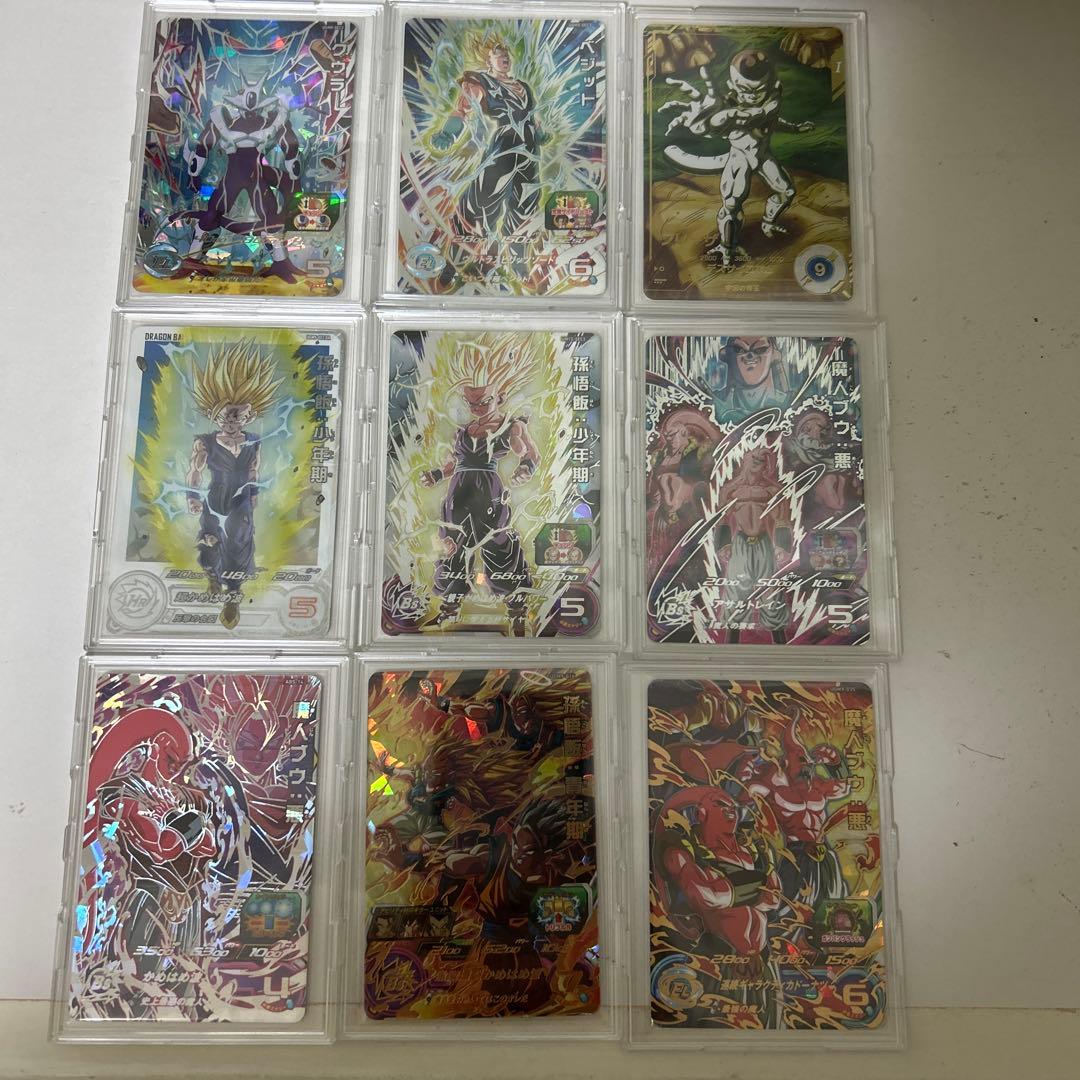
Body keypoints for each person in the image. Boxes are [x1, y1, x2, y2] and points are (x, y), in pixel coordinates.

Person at [420, 340, 539, 635]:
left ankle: (517, 611)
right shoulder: (463, 431)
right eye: (471, 403)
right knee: (452, 546)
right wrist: (437, 474)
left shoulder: (511, 426)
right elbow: (453, 462)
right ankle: (449, 609)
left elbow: (530, 453)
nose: (476, 408)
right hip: (458, 492)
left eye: (483, 402)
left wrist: (525, 469)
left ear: (499, 397)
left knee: (499, 545)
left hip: (489, 491)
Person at [661, 49, 814, 268]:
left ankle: (768, 223)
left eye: (759, 90)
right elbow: (715, 124)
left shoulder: (769, 104)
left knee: (786, 191)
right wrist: (705, 120)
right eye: (745, 90)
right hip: (739, 158)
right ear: (732, 85)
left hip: (762, 155)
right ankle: (727, 247)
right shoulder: (730, 110)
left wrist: (796, 128)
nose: (752, 96)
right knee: (732, 205)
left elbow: (771, 122)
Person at [430, 36, 548, 277]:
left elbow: (532, 116)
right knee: (480, 203)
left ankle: (518, 262)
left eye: (506, 53)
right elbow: (463, 110)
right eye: (498, 53)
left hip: (528, 152)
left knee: (525, 206)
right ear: (488, 59)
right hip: (504, 148)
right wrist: (449, 132)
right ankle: (456, 261)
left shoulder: (523, 86)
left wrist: (539, 133)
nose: (505, 57)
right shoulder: (480, 82)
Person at [186, 340, 282, 629]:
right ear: (215, 415)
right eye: (226, 416)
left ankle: (233, 594)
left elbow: (253, 470)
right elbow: (195, 470)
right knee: (211, 539)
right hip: (215, 496)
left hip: (241, 499)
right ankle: (212, 577)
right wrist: (192, 496)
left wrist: (253, 494)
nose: (231, 421)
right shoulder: (205, 442)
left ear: (248, 415)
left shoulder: (253, 441)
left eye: (237, 416)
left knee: (239, 543)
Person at [706, 336, 793, 423]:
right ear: (726, 354)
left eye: (760, 349)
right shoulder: (713, 401)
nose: (750, 356)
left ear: (774, 355)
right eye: (739, 349)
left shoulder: (790, 403)